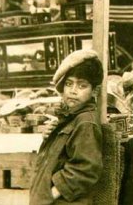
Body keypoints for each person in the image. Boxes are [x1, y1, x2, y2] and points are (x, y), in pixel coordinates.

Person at [30, 49, 104, 205]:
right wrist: (50, 137)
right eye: (69, 83)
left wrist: (52, 194)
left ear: (94, 91)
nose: (73, 90)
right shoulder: (70, 118)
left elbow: (85, 169)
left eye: (82, 85)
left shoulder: (85, 122)